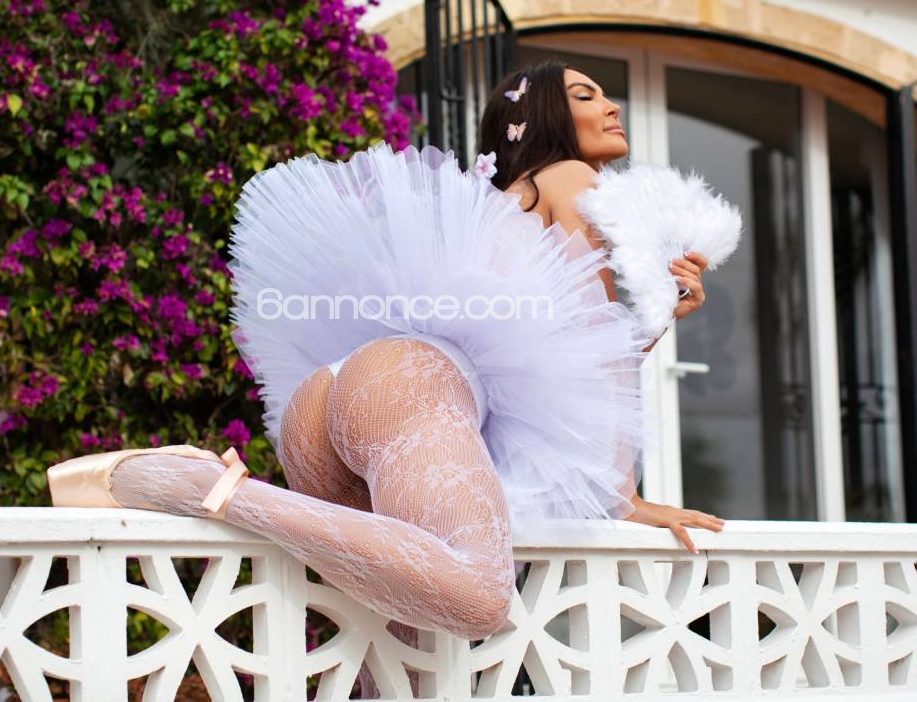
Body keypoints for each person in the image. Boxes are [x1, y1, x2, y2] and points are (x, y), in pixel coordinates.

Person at [45, 60, 725, 659]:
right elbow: (593, 355)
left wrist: (657, 316)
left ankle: (217, 491)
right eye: (585, 95)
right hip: (412, 389)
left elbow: (566, 349)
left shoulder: (505, 202)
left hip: (338, 397)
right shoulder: (572, 177)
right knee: (480, 596)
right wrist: (623, 498)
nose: (612, 105)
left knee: (398, 643)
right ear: (547, 116)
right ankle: (204, 487)